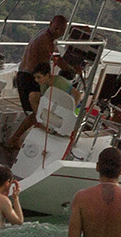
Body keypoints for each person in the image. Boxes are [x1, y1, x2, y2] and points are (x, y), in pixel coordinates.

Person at [5, 16, 74, 153]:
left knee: (38, 112)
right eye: (56, 28)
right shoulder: (46, 39)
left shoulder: (47, 36)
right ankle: (13, 140)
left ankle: (16, 139)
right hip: (27, 78)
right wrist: (70, 69)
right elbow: (56, 59)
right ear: (50, 24)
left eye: (62, 29)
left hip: (32, 78)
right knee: (36, 114)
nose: (59, 31)